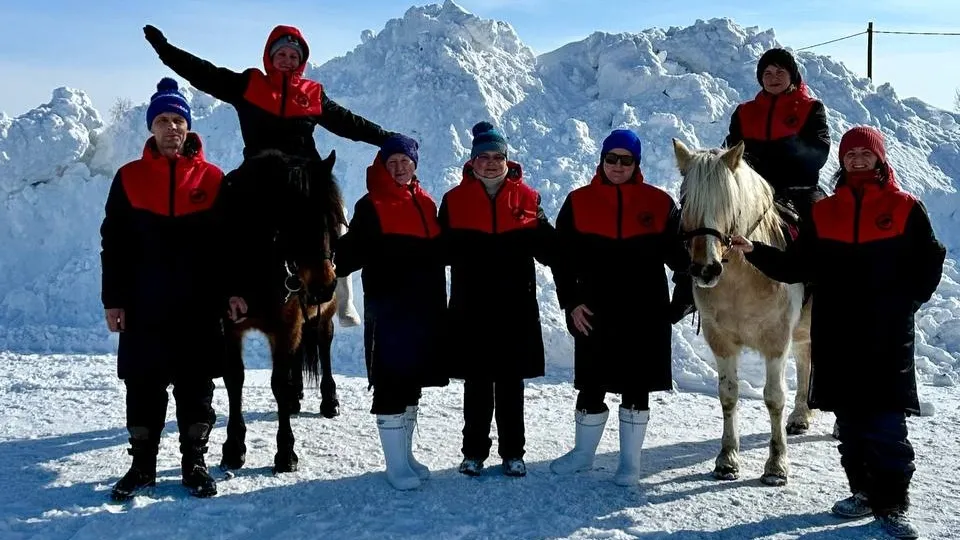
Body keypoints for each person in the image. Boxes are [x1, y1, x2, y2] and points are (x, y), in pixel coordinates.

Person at [727, 126, 945, 539]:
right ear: (842, 161)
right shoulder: (824, 212)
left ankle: (893, 504)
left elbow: (930, 260)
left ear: (879, 158)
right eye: (851, 155)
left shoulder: (903, 207)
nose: (858, 160)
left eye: (866, 153)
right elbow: (798, 266)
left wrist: (907, 304)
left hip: (885, 335)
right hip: (837, 331)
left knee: (885, 425)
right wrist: (755, 251)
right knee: (851, 423)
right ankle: (862, 492)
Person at [141, 23, 394, 328]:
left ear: (301, 61)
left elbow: (348, 123)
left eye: (293, 55)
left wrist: (386, 138)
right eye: (281, 54)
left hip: (303, 176)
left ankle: (342, 296)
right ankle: (228, 288)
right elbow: (204, 73)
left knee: (333, 211)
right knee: (222, 204)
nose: (287, 59)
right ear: (269, 56)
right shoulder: (249, 84)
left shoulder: (312, 93)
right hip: (260, 173)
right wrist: (164, 50)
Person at [101, 78, 237, 500]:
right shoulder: (128, 178)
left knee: (197, 387)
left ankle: (193, 464)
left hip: (199, 305)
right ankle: (142, 467)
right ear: (151, 128)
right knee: (143, 384)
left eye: (178, 119)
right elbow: (114, 243)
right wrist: (114, 299)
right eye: (163, 120)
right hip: (145, 305)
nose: (171, 127)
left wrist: (234, 290)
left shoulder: (214, 179)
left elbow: (229, 244)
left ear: (189, 127)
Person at [550, 129, 689, 486]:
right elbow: (562, 260)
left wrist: (681, 301)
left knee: (636, 387)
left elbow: (683, 260)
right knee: (591, 384)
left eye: (625, 160)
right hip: (595, 309)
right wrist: (571, 302)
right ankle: (583, 454)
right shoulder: (578, 201)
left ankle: (630, 462)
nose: (617, 166)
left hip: (645, 312)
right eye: (611, 158)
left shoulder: (659, 204)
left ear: (636, 163)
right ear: (601, 160)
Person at [670, 47, 831, 323]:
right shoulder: (745, 112)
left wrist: (787, 150)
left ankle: (822, 288)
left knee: (821, 219)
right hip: (750, 189)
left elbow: (820, 150)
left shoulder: (810, 108)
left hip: (797, 188)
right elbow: (730, 150)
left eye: (780, 71)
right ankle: (687, 286)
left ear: (792, 75)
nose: (774, 77)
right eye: (767, 73)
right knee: (700, 217)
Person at [438, 121, 557, 478]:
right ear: (472, 162)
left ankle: (513, 452)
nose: (490, 163)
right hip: (470, 308)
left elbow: (551, 250)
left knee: (510, 384)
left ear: (507, 160)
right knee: (476, 384)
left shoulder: (527, 199)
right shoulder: (454, 200)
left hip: (514, 309)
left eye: (497, 157)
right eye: (483, 157)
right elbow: (437, 251)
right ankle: (473, 452)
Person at [334, 134, 448, 490]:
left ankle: (407, 456)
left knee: (412, 384)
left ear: (415, 165)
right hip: (390, 311)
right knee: (390, 385)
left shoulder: (426, 203)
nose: (399, 167)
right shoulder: (371, 205)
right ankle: (395, 465)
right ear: (383, 165)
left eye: (405, 161)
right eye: (392, 162)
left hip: (424, 310)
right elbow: (348, 254)